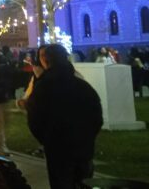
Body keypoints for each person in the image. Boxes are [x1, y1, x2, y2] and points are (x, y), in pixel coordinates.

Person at [26, 44, 103, 189]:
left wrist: (47, 140)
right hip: (83, 147)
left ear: (46, 61)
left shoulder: (43, 87)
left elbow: (34, 119)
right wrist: (87, 137)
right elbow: (96, 117)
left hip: (57, 148)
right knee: (84, 183)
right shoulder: (82, 86)